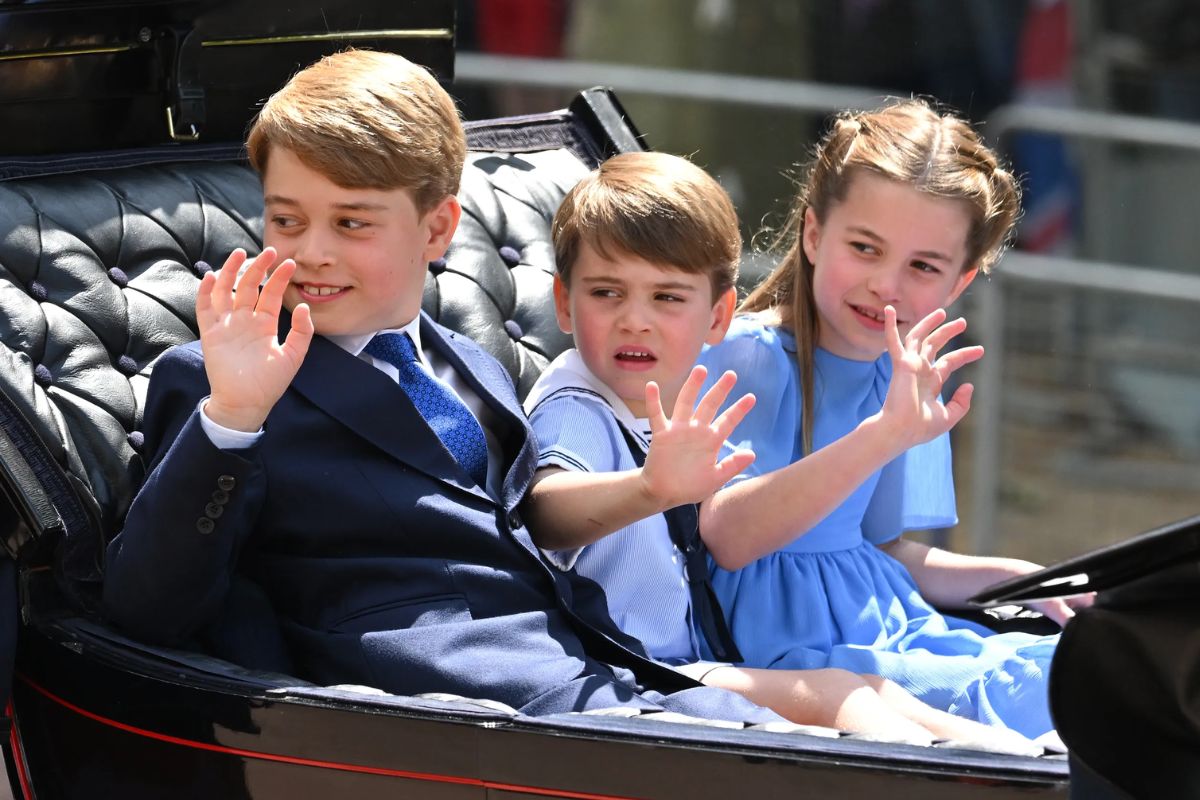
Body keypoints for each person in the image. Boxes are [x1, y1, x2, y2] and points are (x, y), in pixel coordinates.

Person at [100, 49, 780, 724]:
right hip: (443, 707)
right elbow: (148, 611)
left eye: (351, 222)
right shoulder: (221, 382)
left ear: (437, 229)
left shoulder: (473, 363)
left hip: (595, 667)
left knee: (816, 738)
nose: (311, 252)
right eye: (286, 220)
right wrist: (233, 416)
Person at [522, 150, 1039, 750]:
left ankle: (1025, 762)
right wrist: (647, 488)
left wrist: (1018, 578)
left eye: (666, 298)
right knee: (840, 694)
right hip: (635, 671)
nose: (635, 320)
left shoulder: (664, 401)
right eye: (607, 293)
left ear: (715, 316)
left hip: (688, 658)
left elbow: (881, 546)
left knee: (874, 691)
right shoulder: (579, 401)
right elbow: (544, 509)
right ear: (565, 302)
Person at [695, 98, 1090, 740]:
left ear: (958, 283)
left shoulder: (904, 372)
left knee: (1083, 661)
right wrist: (883, 435)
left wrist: (1018, 578)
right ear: (814, 234)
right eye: (864, 247)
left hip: (895, 628)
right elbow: (727, 539)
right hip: (802, 657)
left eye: (923, 266)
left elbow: (885, 552)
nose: (887, 284)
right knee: (1056, 693)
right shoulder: (744, 355)